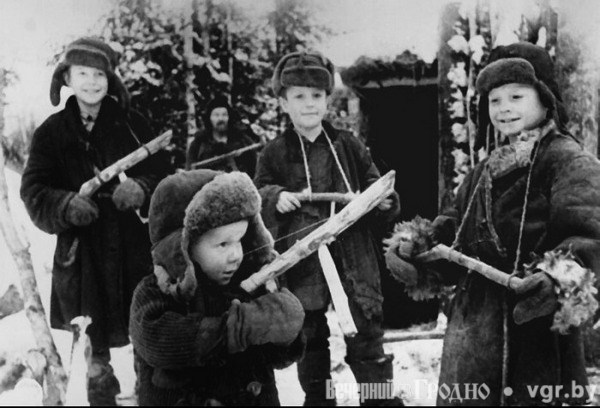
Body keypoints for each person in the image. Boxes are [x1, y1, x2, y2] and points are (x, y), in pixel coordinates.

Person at [386, 42, 600, 405]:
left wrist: (556, 279)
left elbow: (590, 235)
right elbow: (455, 232)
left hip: (535, 332)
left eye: (516, 96)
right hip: (472, 338)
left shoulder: (568, 161)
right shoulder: (484, 170)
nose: (504, 108)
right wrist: (418, 249)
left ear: (545, 99)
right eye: (494, 100)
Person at [20, 37, 172, 405]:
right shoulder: (51, 132)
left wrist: (141, 187)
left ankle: (151, 396)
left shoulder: (133, 124)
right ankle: (100, 394)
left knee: (147, 333)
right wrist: (65, 205)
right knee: (90, 344)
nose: (91, 82)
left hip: (132, 250)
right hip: (82, 255)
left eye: (99, 74)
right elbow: (34, 190)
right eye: (82, 73)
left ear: (110, 79)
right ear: (67, 78)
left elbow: (165, 176)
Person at [254, 51, 402, 406]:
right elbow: (258, 193)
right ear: (284, 103)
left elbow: (374, 183)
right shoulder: (274, 152)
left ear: (327, 100)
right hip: (303, 261)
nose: (309, 104)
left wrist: (383, 200)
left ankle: (378, 400)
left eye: (316, 95)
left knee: (366, 331)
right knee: (309, 336)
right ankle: (320, 400)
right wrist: (276, 197)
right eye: (299, 96)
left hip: (353, 255)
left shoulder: (347, 144)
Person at [129, 170, 305, 406]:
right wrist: (237, 328)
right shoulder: (154, 291)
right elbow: (158, 343)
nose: (236, 255)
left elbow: (273, 358)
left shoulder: (250, 284)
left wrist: (284, 330)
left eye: (240, 240)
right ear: (183, 247)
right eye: (223, 244)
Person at [185, 96, 259, 176]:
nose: (221, 119)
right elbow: (190, 173)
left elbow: (255, 170)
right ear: (209, 118)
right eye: (216, 115)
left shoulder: (242, 140)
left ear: (229, 117)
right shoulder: (199, 143)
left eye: (224, 115)